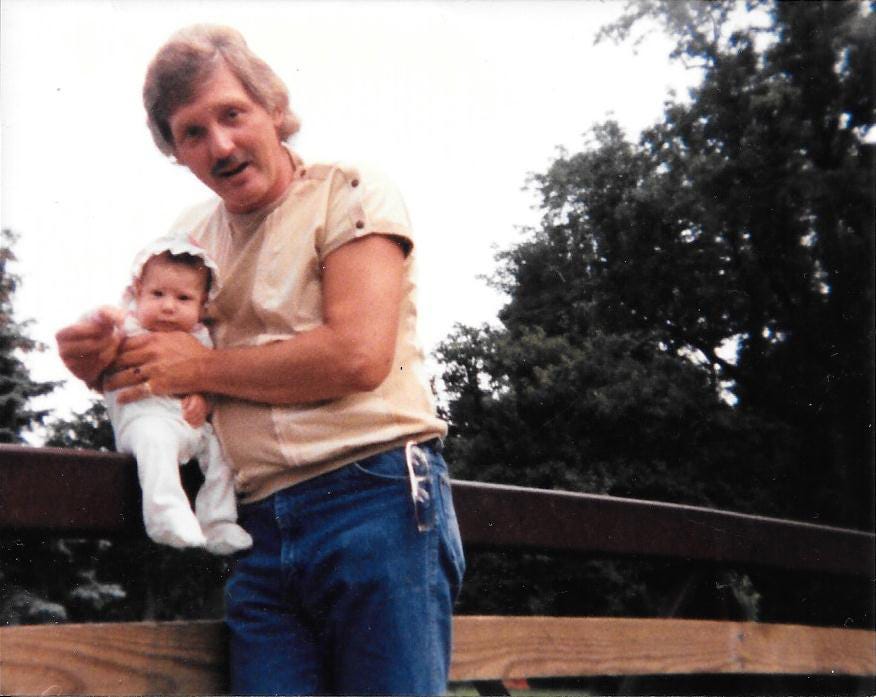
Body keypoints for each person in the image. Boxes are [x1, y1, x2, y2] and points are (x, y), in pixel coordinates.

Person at [56, 24, 465, 696]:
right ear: (176, 152)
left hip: (376, 498)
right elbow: (150, 361)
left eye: (232, 114)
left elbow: (357, 356)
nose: (219, 144)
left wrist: (195, 369)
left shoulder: (352, 190)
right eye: (192, 132)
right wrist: (96, 357)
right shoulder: (189, 241)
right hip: (259, 528)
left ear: (273, 109)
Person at [100, 239, 252, 555]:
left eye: (183, 298)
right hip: (143, 419)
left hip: (188, 425)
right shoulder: (127, 327)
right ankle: (165, 515)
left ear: (202, 305)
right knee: (155, 443)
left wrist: (202, 399)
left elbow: (210, 377)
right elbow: (95, 338)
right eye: (158, 294)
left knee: (222, 454)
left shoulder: (200, 337)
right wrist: (101, 325)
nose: (169, 306)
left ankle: (218, 523)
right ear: (138, 291)